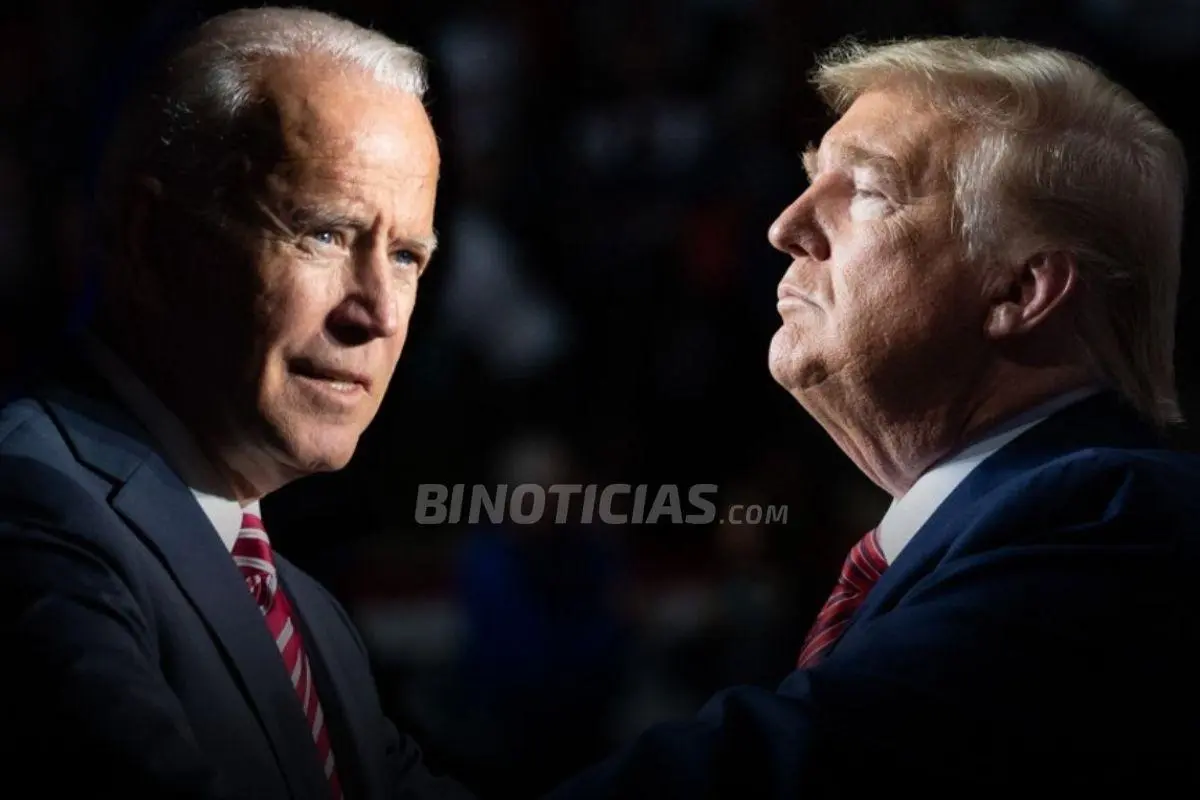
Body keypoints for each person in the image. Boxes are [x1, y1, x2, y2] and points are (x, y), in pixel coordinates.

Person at [546, 36, 1198, 797]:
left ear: (1021, 291)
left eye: (868, 190)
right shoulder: (1013, 529)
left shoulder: (1115, 518)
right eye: (810, 179)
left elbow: (790, 773)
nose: (786, 226)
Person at [0, 7, 473, 799]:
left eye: (403, 257)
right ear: (152, 240)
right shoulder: (33, 512)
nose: (378, 313)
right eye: (325, 233)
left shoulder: (310, 619)